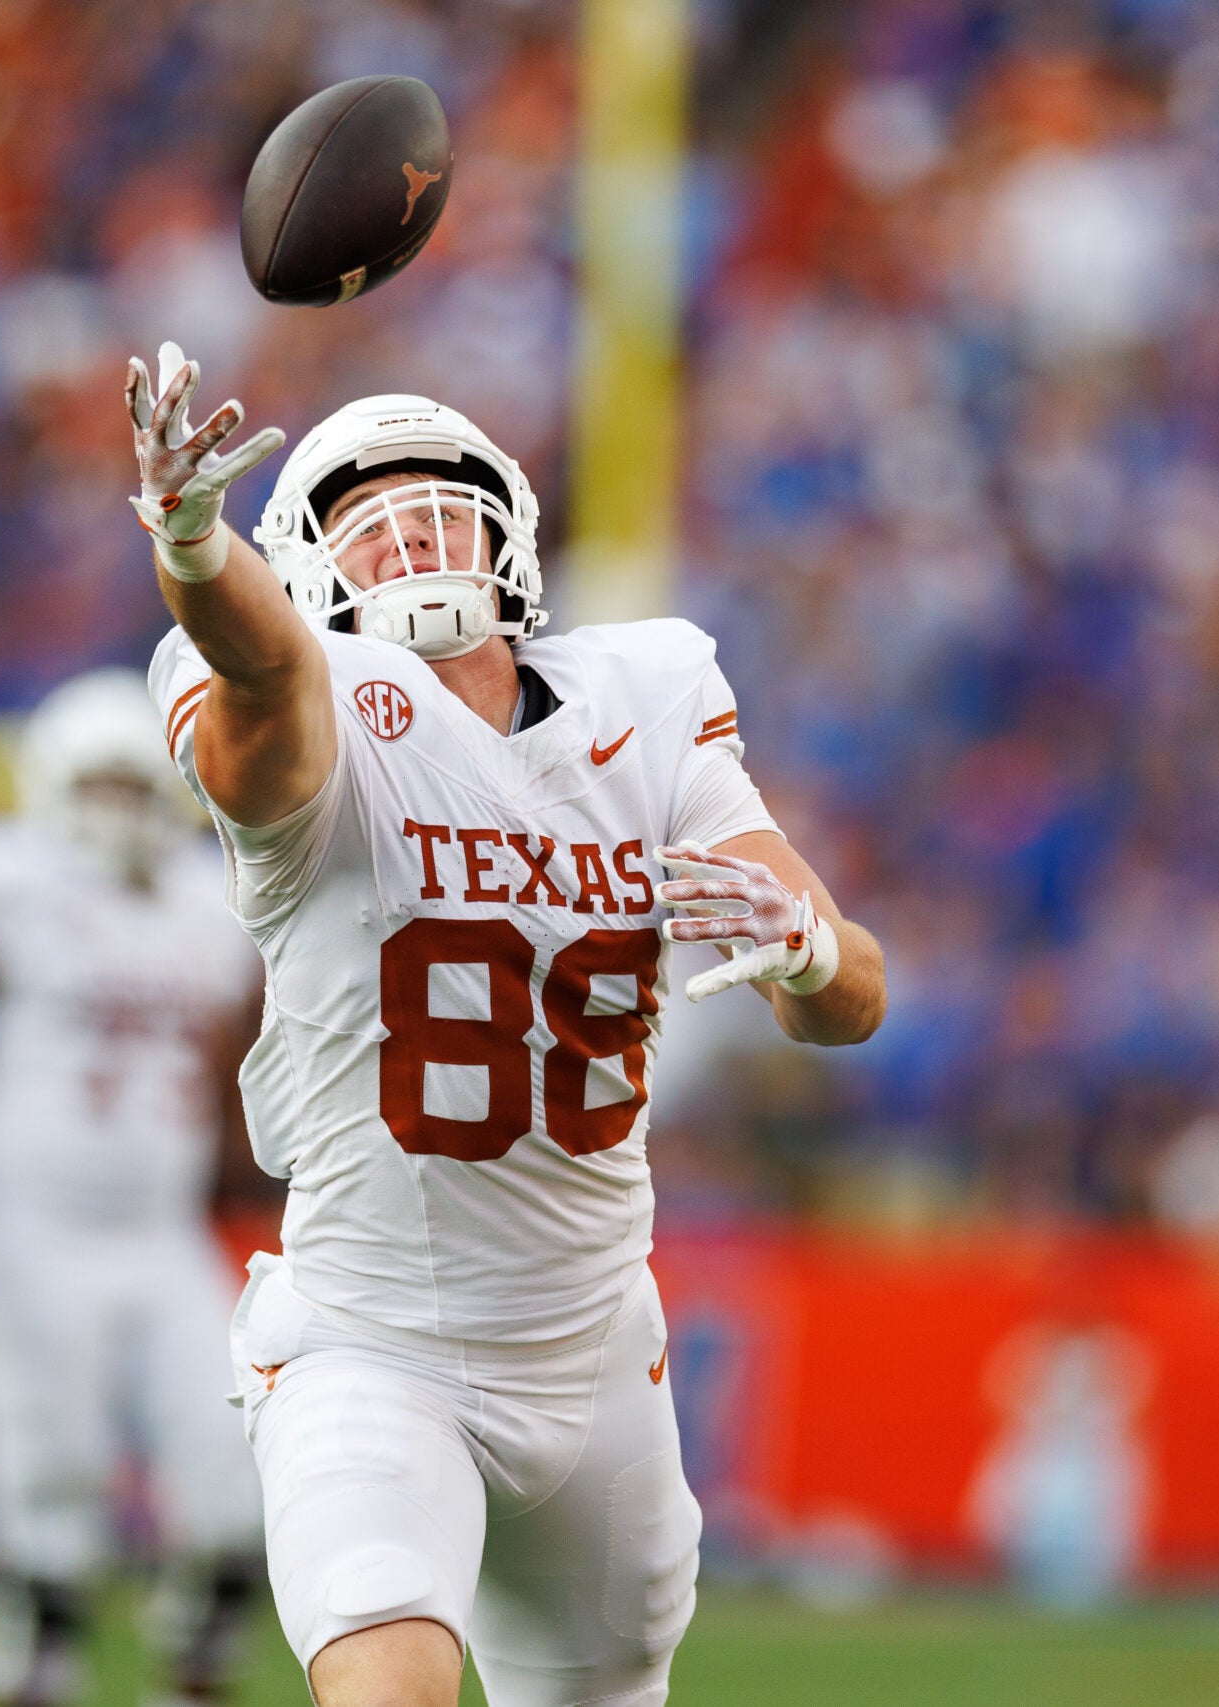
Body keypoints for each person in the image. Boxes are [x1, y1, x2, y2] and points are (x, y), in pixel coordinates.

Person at [118, 344, 888, 1707]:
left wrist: (811, 952)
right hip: (374, 1336)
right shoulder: (319, 705)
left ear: (513, 531)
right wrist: (194, 547)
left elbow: (845, 1000)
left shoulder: (639, 699)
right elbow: (262, 701)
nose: (414, 535)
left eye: (440, 502)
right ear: (306, 571)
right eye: (368, 519)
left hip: (593, 1344)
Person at [0, 668, 269, 1707]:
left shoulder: (208, 900)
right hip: (20, 1229)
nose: (114, 811)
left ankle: (188, 1681)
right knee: (51, 1495)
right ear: (47, 784)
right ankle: (29, 1680)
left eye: (133, 788)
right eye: (94, 785)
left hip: (158, 1230)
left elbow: (235, 1082)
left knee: (240, 1482)